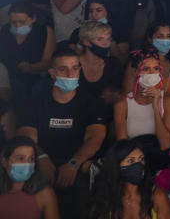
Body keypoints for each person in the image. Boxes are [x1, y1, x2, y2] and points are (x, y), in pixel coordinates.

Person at [17, 49, 106, 216]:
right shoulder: (34, 102)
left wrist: (74, 164)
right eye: (63, 68)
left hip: (77, 165)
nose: (70, 73)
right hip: (41, 164)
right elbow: (26, 137)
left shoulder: (92, 103)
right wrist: (42, 158)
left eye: (75, 68)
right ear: (52, 72)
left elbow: (95, 139)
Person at [113, 49, 170, 178]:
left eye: (155, 69)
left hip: (160, 159)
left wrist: (155, 106)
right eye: (146, 69)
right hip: (133, 162)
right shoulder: (122, 103)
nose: (151, 73)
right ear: (136, 72)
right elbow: (122, 145)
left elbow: (166, 144)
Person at [86, 139, 170, 219]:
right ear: (116, 166)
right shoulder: (104, 198)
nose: (138, 165)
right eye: (131, 161)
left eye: (141, 159)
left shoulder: (157, 196)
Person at [122, 22, 170, 109]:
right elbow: (127, 94)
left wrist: (166, 106)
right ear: (150, 39)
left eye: (168, 36)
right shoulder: (138, 62)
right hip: (142, 112)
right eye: (160, 37)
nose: (165, 41)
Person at [0, 2, 55, 96]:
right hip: (7, 77)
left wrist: (31, 67)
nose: (17, 26)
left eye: (22, 22)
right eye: (13, 22)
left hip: (36, 76)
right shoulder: (4, 31)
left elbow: (49, 61)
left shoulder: (44, 32)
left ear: (33, 18)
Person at [0, 135, 59, 219]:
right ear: (4, 162)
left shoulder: (45, 193)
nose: (27, 164)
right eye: (20, 158)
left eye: (31, 159)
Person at [75, 21, 123, 107]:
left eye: (108, 39)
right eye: (100, 39)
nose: (106, 43)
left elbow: (119, 96)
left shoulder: (113, 64)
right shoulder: (73, 64)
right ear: (86, 41)